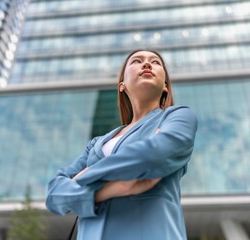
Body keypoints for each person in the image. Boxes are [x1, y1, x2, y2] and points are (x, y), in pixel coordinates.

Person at [46, 49, 198, 240]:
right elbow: (54, 196)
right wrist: (105, 190)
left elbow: (152, 156)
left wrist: (80, 178)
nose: (147, 64)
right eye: (137, 61)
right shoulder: (97, 143)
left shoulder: (178, 117)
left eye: (155, 62)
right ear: (122, 85)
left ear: (165, 86)